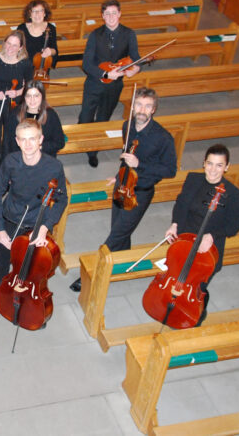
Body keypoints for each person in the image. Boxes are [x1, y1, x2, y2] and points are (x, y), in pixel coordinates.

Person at [70, 87, 176, 292]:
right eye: (139, 104)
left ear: (154, 109)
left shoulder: (163, 137)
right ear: (133, 105)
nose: (142, 109)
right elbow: (126, 154)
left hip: (140, 192)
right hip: (122, 185)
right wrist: (119, 173)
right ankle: (122, 263)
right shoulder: (127, 126)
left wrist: (140, 165)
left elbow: (170, 170)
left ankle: (91, 273)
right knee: (120, 231)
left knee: (115, 235)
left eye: (147, 106)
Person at [0, 119, 68, 322]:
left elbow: (61, 199)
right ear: (17, 141)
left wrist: (45, 228)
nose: (28, 144)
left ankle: (30, 301)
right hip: (11, 220)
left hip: (37, 225)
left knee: (32, 269)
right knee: (3, 264)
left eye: (33, 139)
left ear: (41, 140)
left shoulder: (53, 167)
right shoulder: (10, 162)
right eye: (23, 140)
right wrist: (0, 229)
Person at [164, 143, 239, 325]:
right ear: (204, 163)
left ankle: (197, 309)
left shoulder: (232, 194)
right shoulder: (193, 179)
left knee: (197, 285)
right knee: (176, 276)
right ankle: (171, 304)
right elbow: (181, 204)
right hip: (185, 241)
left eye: (219, 165)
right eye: (210, 164)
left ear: (227, 167)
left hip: (208, 250)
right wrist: (174, 224)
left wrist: (213, 235)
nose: (213, 170)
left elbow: (234, 225)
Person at [79, 0, 140, 168]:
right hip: (94, 83)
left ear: (119, 14)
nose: (111, 17)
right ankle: (82, 139)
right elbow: (86, 63)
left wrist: (136, 68)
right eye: (107, 14)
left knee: (103, 118)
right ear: (102, 16)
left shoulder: (129, 34)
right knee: (85, 116)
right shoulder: (95, 34)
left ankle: (93, 151)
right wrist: (105, 73)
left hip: (114, 87)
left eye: (114, 13)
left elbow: (135, 57)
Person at [0, 30, 33, 185]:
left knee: (11, 140)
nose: (10, 48)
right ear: (4, 43)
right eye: (8, 43)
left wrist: (16, 92)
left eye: (14, 45)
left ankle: (7, 173)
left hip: (14, 104)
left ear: (21, 47)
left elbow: (29, 86)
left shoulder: (25, 63)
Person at [3, 80, 64, 158]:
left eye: (36, 96)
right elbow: (7, 144)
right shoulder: (14, 114)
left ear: (42, 96)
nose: (32, 100)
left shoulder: (51, 115)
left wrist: (38, 147)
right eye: (28, 96)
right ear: (24, 97)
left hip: (43, 158)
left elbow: (59, 142)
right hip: (20, 159)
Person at [17, 0, 58, 72]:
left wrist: (50, 51)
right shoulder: (21, 28)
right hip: (24, 67)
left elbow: (55, 50)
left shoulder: (51, 28)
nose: (37, 14)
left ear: (44, 13)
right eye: (34, 11)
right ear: (30, 14)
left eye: (41, 11)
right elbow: (16, 49)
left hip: (42, 68)